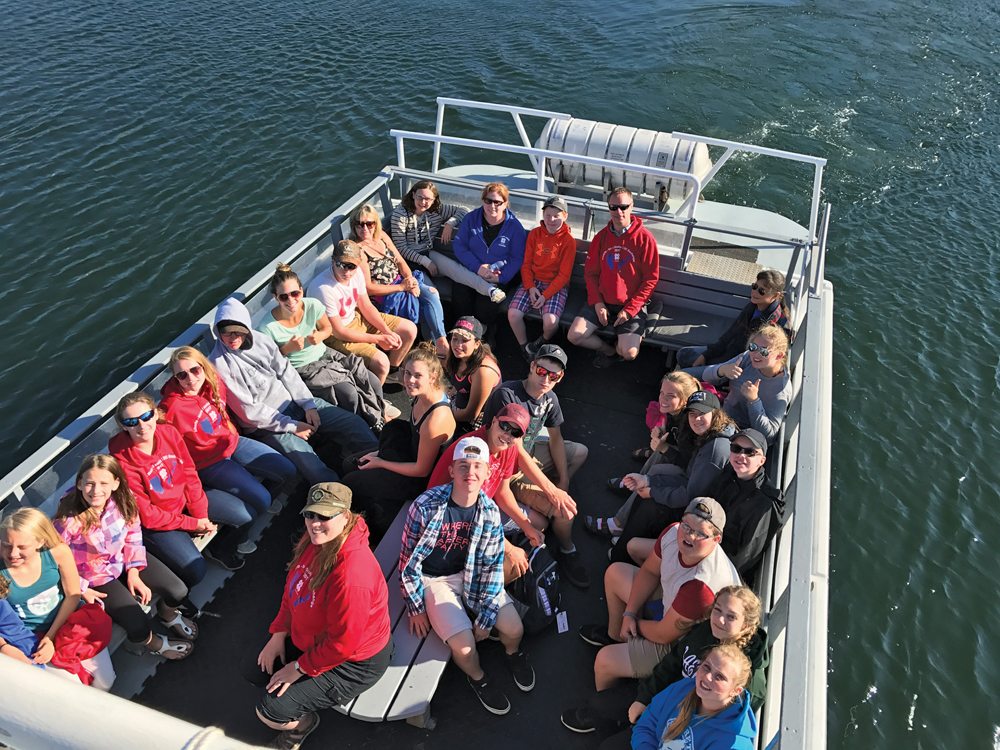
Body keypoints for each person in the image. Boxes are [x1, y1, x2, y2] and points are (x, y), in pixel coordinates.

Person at [248, 483, 391, 750]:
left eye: (325, 516)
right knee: (256, 670)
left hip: (354, 663)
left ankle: (303, 725)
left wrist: (298, 668)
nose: (314, 524)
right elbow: (295, 587)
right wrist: (278, 633)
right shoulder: (318, 540)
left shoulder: (351, 578)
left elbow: (343, 645)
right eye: (310, 514)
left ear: (346, 517)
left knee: (270, 712)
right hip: (317, 638)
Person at [400, 436, 534, 716]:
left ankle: (512, 653)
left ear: (487, 473)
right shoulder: (425, 506)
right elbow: (408, 561)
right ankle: (478, 678)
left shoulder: (489, 512)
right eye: (463, 466)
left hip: (473, 574)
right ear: (451, 471)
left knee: (514, 630)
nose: (469, 473)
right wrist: (416, 607)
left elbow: (492, 568)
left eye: (476, 466)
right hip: (435, 581)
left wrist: (486, 618)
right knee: (464, 649)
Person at [208, 297, 378, 488]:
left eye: (238, 331)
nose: (232, 338)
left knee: (353, 423)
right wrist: (292, 426)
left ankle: (377, 464)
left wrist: (308, 405)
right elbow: (249, 411)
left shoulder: (261, 340)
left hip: (294, 403)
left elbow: (286, 372)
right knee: (312, 466)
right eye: (226, 333)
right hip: (268, 426)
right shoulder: (218, 365)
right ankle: (339, 495)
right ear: (218, 333)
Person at [579, 498, 741, 691]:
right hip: (672, 606)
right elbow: (649, 571)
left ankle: (607, 703)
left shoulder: (702, 585)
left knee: (604, 661)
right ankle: (616, 638)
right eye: (687, 526)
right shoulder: (673, 532)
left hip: (680, 645)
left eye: (700, 533)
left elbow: (664, 635)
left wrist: (633, 622)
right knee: (615, 573)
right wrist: (629, 614)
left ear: (716, 539)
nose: (690, 536)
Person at [561, 586, 768, 736]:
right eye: (717, 610)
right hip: (664, 697)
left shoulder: (747, 677)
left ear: (746, 625)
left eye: (731, 617)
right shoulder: (706, 630)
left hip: (681, 725)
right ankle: (617, 727)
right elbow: (672, 662)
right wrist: (644, 697)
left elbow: (723, 725)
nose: (720, 619)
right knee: (599, 704)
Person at [53, 454, 197, 660]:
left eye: (104, 483)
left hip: (122, 559)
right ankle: (153, 643)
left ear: (115, 483)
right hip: (95, 576)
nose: (96, 490)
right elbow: (56, 561)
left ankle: (167, 613)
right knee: (137, 623)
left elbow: (133, 533)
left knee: (178, 591)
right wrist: (82, 589)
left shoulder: (122, 499)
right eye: (90, 483)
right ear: (79, 484)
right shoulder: (67, 520)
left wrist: (134, 571)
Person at [161, 346, 298, 545]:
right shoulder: (172, 409)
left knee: (287, 469)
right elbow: (167, 450)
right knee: (262, 500)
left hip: (232, 443)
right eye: (182, 375)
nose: (190, 379)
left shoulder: (211, 382)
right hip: (209, 462)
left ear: (203, 367)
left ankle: (261, 502)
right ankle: (233, 544)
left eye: (195, 370)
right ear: (175, 379)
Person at [110, 391, 254, 578]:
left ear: (155, 413)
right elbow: (148, 515)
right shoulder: (122, 464)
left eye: (146, 416)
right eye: (132, 422)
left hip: (184, 501)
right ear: (123, 426)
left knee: (245, 515)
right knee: (196, 570)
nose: (142, 425)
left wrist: (200, 513)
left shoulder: (169, 432)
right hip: (159, 521)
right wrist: (192, 524)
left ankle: (219, 549)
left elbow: (188, 472)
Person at [482, 344, 589, 587]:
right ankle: (567, 548)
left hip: (531, 452)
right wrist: (553, 492)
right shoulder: (508, 394)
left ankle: (544, 505)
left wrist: (563, 481)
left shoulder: (550, 398)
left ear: (560, 377)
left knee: (580, 453)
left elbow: (555, 438)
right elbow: (516, 450)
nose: (546, 379)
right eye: (542, 371)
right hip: (508, 467)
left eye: (553, 376)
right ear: (532, 366)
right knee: (564, 512)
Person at [608, 391, 736, 564]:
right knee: (648, 486)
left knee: (650, 505)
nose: (696, 419)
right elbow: (689, 478)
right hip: (693, 494)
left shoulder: (715, 450)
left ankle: (621, 556)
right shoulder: (711, 434)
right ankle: (625, 542)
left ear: (715, 414)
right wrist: (648, 482)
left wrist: (653, 492)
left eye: (702, 413)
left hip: (702, 514)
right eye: (692, 414)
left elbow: (689, 497)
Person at [340, 344, 456, 534]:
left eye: (417, 375)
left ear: (433, 377)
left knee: (350, 482)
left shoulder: (436, 419)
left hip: (417, 479)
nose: (409, 380)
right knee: (349, 463)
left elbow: (421, 470)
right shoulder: (421, 394)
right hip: (409, 452)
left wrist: (380, 463)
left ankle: (363, 526)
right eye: (407, 373)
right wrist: (378, 454)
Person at [257, 264, 392, 428]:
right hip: (304, 368)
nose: (291, 300)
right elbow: (269, 362)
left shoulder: (312, 305)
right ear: (276, 297)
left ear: (301, 291)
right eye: (284, 297)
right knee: (349, 393)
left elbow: (327, 328)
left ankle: (379, 413)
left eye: (295, 294)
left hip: (326, 354)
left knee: (373, 381)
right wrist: (288, 348)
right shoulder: (267, 327)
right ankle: (365, 426)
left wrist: (320, 335)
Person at [1, 508, 116, 689]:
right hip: (33, 639)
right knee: (75, 688)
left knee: (105, 682)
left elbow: (72, 595)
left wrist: (51, 637)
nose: (13, 553)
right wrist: (4, 647)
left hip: (70, 624)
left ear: (40, 541)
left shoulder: (58, 553)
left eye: (22, 547)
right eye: (6, 545)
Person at [585, 372, 702, 538]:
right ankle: (634, 484)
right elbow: (673, 438)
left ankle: (618, 524)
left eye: (670, 396)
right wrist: (661, 433)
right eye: (662, 393)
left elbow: (689, 463)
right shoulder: (675, 412)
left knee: (657, 465)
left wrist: (664, 448)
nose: (663, 399)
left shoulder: (691, 424)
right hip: (683, 461)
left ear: (684, 401)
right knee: (659, 453)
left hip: (691, 477)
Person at [568, 187, 659, 367]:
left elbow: (650, 280)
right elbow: (591, 274)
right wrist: (597, 302)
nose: (619, 212)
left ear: (632, 206)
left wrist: (630, 309)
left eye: (624, 207)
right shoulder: (601, 237)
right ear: (608, 207)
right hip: (603, 300)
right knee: (574, 336)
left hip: (630, 303)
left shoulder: (645, 239)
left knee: (629, 353)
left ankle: (622, 343)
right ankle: (609, 351)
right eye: (613, 207)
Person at [307, 240, 417, 385]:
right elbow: (339, 332)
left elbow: (366, 306)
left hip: (356, 317)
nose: (346, 272)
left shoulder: (357, 273)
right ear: (333, 261)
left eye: (351, 266)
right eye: (341, 265)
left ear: (359, 263)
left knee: (409, 329)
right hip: (336, 335)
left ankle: (391, 372)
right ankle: (374, 395)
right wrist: (378, 339)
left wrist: (387, 331)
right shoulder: (323, 288)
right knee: (381, 362)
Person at [350, 203, 449, 360]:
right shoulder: (358, 251)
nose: (365, 228)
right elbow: (369, 288)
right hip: (388, 294)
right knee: (423, 310)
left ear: (376, 223)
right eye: (359, 224)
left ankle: (440, 341)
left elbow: (401, 261)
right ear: (353, 226)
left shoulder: (382, 236)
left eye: (369, 224)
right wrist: (402, 288)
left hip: (402, 281)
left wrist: (410, 280)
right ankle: (431, 348)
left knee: (432, 294)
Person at [391, 180, 503, 302]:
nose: (423, 202)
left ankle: (490, 290)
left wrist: (450, 223)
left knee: (457, 270)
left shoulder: (437, 210)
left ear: (434, 199)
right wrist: (426, 262)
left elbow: (463, 209)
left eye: (428, 199)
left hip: (427, 253)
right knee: (432, 293)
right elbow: (400, 248)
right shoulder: (400, 214)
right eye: (420, 197)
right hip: (407, 263)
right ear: (413, 195)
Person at [629, 644, 758, 750]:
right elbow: (647, 723)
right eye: (706, 667)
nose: (707, 677)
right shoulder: (684, 688)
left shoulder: (733, 743)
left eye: (719, 677)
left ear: (736, 691)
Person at [676, 269, 790, 376]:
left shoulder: (772, 324)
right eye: (755, 287)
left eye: (762, 291)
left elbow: (748, 357)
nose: (755, 292)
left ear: (775, 295)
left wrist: (714, 365)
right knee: (683, 354)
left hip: (735, 366)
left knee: (683, 374)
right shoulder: (752, 306)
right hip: (727, 351)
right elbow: (731, 334)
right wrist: (706, 355)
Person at [709, 429, 784, 584]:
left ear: (761, 461)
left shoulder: (764, 503)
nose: (741, 456)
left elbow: (744, 557)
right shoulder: (730, 472)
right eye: (736, 448)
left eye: (750, 452)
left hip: (722, 568)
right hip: (705, 541)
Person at [451, 182, 527, 335]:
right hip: (471, 269)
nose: (492, 206)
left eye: (497, 202)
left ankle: (486, 333)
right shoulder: (471, 219)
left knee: (485, 305)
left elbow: (517, 258)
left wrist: (501, 277)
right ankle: (462, 333)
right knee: (461, 296)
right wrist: (477, 267)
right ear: (483, 200)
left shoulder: (514, 227)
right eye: (488, 201)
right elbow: (459, 246)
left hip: (497, 274)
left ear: (505, 203)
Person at [507, 195, 576, 360]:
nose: (551, 220)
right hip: (533, 281)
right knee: (513, 314)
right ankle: (524, 346)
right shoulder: (534, 234)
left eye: (556, 216)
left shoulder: (568, 241)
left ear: (565, 216)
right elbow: (526, 265)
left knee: (550, 322)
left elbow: (564, 275)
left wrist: (545, 296)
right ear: (543, 215)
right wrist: (530, 287)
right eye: (547, 215)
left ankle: (541, 341)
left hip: (555, 285)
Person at [701, 325, 791, 444]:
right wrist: (722, 370)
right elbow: (705, 376)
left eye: (763, 351)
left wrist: (754, 401)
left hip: (740, 432)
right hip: (723, 413)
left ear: (779, 356)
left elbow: (769, 436)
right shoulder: (748, 357)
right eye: (753, 347)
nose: (756, 354)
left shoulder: (780, 390)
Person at [443, 316, 501, 434]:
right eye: (455, 338)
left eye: (465, 340)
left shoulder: (483, 371)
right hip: (460, 404)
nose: (458, 345)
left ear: (477, 344)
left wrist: (441, 414)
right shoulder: (457, 356)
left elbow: (471, 414)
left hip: (480, 421)